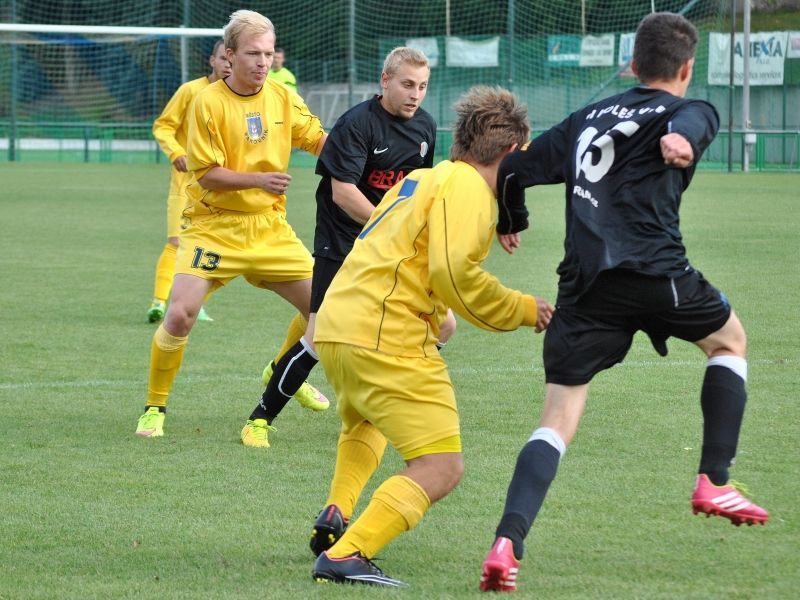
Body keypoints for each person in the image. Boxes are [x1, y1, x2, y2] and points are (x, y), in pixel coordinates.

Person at [478, 12, 769, 593]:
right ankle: (713, 478)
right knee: (729, 340)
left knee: (556, 420)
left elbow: (511, 169)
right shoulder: (690, 108)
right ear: (687, 68)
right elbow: (690, 124)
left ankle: (507, 542)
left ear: (633, 66)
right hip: (653, 270)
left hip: (585, 287)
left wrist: (512, 220)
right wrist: (681, 142)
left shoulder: (587, 118)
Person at [308, 85, 554, 587]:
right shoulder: (467, 191)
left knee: (367, 422)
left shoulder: (420, 178)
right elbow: (455, 274)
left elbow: (386, 246)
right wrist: (526, 309)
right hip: (384, 335)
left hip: (338, 324)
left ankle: (336, 513)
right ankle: (346, 555)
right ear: (509, 154)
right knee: (441, 465)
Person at [241, 46, 457, 448]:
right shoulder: (356, 124)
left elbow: (415, 191)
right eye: (408, 84)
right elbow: (343, 194)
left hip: (391, 246)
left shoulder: (425, 127)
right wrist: (392, 228)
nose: (415, 94)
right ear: (385, 80)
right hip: (341, 243)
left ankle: (394, 398)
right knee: (318, 335)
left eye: (423, 86)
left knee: (443, 324)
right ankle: (259, 420)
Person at [135, 9, 330, 438]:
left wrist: (362, 152)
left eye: (268, 53)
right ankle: (155, 408)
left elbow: (318, 139)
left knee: (324, 308)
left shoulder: (281, 95)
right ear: (229, 54)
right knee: (181, 314)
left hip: (267, 226)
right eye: (253, 53)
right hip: (213, 225)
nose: (263, 62)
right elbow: (205, 174)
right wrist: (260, 179)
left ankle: (280, 371)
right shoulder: (206, 101)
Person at [147, 40, 231, 324]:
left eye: (231, 60)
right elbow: (163, 125)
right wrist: (176, 152)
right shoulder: (190, 91)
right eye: (223, 59)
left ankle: (196, 303)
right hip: (186, 183)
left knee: (215, 246)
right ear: (212, 60)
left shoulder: (237, 96)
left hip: (220, 187)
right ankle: (158, 302)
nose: (228, 65)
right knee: (175, 241)